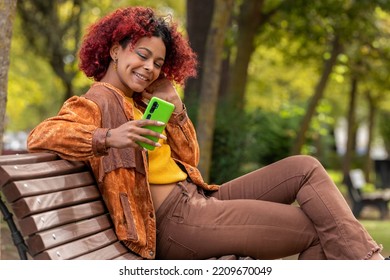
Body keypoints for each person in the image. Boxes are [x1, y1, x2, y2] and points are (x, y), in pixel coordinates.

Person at [27, 6, 387, 260]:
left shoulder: (140, 103)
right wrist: (109, 138)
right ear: (114, 50)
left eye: (157, 62)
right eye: (141, 54)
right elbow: (42, 135)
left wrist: (176, 108)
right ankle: (372, 267)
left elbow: (190, 159)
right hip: (174, 224)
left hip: (198, 199)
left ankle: (370, 263)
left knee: (305, 167)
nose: (149, 68)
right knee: (322, 229)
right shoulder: (96, 101)